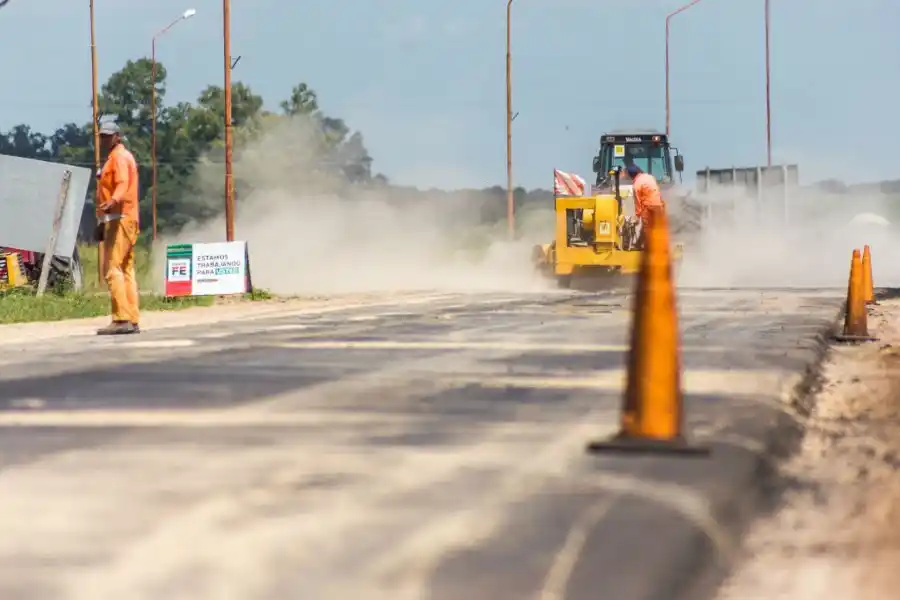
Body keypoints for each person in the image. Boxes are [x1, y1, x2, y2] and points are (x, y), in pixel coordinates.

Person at [95, 121, 141, 335]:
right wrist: (102, 221)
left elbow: (122, 183)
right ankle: (132, 317)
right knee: (126, 269)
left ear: (117, 136)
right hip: (125, 217)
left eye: (108, 136)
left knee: (113, 269)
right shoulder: (119, 157)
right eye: (102, 136)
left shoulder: (120, 158)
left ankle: (122, 319)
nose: (104, 139)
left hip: (120, 216)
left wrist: (113, 200)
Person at [626, 164, 664, 247]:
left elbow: (638, 203)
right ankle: (639, 244)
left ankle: (649, 248)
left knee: (647, 228)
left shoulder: (636, 185)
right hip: (658, 205)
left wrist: (637, 217)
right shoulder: (650, 177)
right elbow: (657, 190)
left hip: (648, 207)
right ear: (638, 171)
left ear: (630, 176)